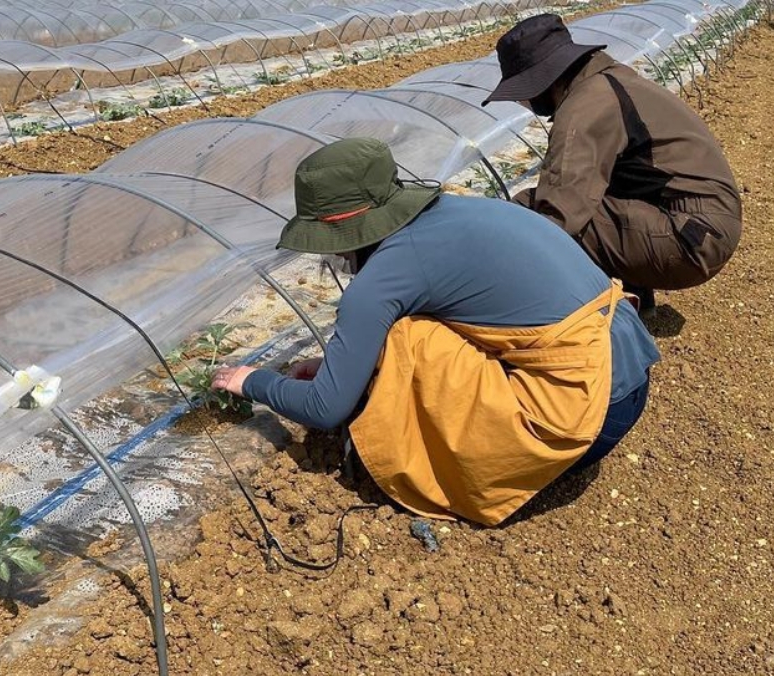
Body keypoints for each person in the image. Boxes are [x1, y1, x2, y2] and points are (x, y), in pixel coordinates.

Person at [210, 138, 660, 526]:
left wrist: (252, 381)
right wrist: (337, 365)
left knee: (405, 337)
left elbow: (324, 408)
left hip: (588, 414)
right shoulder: (461, 210)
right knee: (412, 333)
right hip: (629, 371)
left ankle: (503, 466)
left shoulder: (383, 279)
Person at [483, 14, 742, 313]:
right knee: (601, 188)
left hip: (690, 239)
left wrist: (495, 280)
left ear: (543, 80)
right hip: (707, 225)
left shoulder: (585, 107)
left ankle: (566, 315)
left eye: (523, 92)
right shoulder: (609, 79)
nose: (523, 102)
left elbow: (557, 216)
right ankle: (633, 300)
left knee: (532, 211)